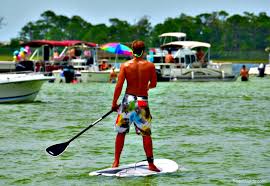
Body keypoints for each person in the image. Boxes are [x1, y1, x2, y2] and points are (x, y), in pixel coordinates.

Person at [111, 40, 160, 172]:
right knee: (146, 134)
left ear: (132, 50)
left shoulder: (126, 66)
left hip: (129, 101)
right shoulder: (150, 66)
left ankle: (116, 162)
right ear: (144, 51)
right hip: (142, 101)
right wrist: (147, 88)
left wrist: (114, 104)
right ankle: (151, 164)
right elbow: (154, 84)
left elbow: (119, 86)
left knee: (121, 133)